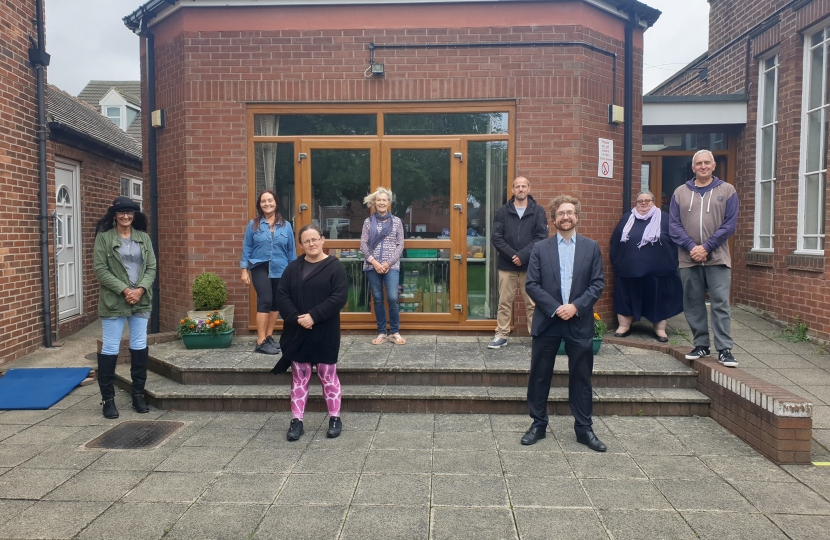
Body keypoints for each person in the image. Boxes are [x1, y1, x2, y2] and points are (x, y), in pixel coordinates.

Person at [522, 195, 606, 451]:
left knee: (581, 378)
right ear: (554, 218)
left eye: (570, 213)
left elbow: (597, 283)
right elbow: (532, 285)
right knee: (539, 376)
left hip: (578, 321)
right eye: (560, 213)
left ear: (577, 217)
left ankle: (584, 429)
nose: (565, 217)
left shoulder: (591, 248)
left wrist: (576, 307)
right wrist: (557, 308)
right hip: (548, 322)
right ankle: (538, 425)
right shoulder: (540, 248)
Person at [272, 224, 349, 441]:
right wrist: (297, 317)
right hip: (298, 332)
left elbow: (339, 297)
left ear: (323, 240)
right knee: (299, 377)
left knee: (328, 375)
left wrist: (314, 316)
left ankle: (335, 418)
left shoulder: (335, 267)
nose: (312, 244)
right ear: (301, 245)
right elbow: (282, 295)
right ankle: (297, 421)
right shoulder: (292, 268)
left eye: (315, 239)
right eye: (307, 241)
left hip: (325, 332)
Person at [669, 149, 739, 367]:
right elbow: (673, 225)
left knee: (720, 303)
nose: (703, 166)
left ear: (714, 166)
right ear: (693, 168)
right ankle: (701, 345)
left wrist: (707, 247)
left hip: (717, 258)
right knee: (693, 303)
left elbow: (729, 224)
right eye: (699, 163)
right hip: (689, 258)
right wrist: (692, 247)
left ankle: (724, 349)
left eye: (707, 163)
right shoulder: (680, 192)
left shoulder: (727, 190)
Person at [93, 196, 157, 419]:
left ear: (134, 215)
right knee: (110, 347)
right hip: (114, 300)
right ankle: (108, 400)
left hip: (141, 299)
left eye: (130, 212)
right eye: (121, 212)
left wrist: (139, 290)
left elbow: (151, 268)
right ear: (114, 215)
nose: (126, 216)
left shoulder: (143, 238)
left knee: (139, 345)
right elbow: (100, 269)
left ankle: (138, 395)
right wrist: (124, 290)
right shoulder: (104, 238)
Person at [610, 190, 683, 342]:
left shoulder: (665, 219)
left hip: (659, 272)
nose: (643, 203)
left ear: (653, 202)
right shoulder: (627, 218)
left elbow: (675, 243)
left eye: (647, 200)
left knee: (658, 299)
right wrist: (617, 262)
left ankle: (660, 329)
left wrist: (673, 263)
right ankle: (624, 326)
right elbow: (615, 242)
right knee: (626, 298)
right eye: (640, 201)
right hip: (629, 270)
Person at [489, 176, 548, 349]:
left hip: (531, 265)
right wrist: (513, 255)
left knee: (532, 303)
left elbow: (541, 237)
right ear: (513, 190)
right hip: (507, 266)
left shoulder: (538, 211)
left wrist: (523, 255)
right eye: (517, 186)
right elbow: (496, 238)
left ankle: (535, 335)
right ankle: (501, 335)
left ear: (529, 188)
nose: (521, 189)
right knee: (504, 301)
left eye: (524, 186)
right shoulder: (502, 212)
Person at [241, 190, 296, 355]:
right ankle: (260, 341)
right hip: (260, 267)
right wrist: (244, 270)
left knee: (276, 303)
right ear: (260, 205)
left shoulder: (286, 226)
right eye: (263, 201)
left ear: (276, 203)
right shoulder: (253, 224)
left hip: (281, 267)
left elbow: (291, 251)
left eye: (270, 200)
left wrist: (293, 273)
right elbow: (247, 248)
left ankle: (269, 336)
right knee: (265, 300)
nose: (267, 204)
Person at [359, 187, 406, 345]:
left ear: (389, 202)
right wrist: (374, 262)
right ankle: (381, 333)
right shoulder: (367, 222)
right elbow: (363, 245)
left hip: (391, 266)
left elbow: (400, 246)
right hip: (373, 266)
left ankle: (394, 332)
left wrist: (387, 263)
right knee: (378, 299)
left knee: (393, 298)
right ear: (374, 202)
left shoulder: (397, 222)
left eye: (384, 200)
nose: (381, 202)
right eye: (378, 200)